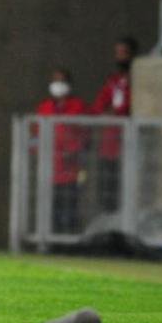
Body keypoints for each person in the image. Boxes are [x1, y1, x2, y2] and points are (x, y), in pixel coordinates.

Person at [35, 69, 88, 233]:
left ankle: (69, 242)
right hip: (50, 169)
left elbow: (86, 134)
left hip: (72, 169)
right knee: (51, 209)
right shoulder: (44, 107)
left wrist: (73, 150)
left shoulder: (78, 106)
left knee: (70, 208)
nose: (58, 85)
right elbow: (36, 134)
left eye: (62, 81)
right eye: (55, 81)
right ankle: (51, 241)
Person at [90, 37, 137, 213]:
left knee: (125, 194)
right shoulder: (113, 81)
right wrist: (107, 112)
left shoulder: (137, 81)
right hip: (108, 147)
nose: (119, 57)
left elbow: (128, 108)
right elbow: (97, 107)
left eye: (123, 53)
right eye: (117, 53)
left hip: (127, 147)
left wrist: (114, 112)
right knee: (107, 195)